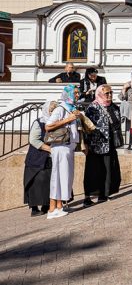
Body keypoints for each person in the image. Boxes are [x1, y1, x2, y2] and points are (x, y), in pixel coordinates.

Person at [82, 85, 122, 205]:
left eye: (111, 93)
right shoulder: (93, 107)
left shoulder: (114, 107)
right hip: (96, 145)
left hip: (109, 144)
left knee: (108, 169)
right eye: (107, 94)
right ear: (99, 94)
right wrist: (86, 143)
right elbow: (86, 127)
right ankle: (87, 196)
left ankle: (103, 194)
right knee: (93, 170)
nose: (109, 96)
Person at [45, 85, 81, 219]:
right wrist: (67, 119)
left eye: (78, 93)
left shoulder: (70, 109)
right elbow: (48, 126)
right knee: (58, 177)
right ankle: (51, 209)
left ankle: (59, 206)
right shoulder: (60, 109)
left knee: (64, 177)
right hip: (60, 146)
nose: (77, 95)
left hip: (67, 147)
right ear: (68, 94)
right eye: (75, 93)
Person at [24, 104, 53, 216]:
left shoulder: (56, 122)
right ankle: (34, 209)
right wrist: (49, 149)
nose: (52, 113)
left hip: (48, 158)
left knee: (47, 182)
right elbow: (33, 140)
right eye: (50, 110)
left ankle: (46, 205)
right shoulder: (39, 122)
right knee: (35, 183)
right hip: (36, 158)